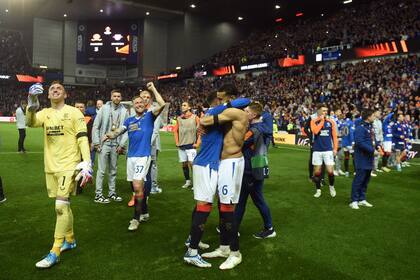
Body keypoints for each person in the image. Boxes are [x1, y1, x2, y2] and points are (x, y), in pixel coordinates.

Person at [26, 82, 92, 268]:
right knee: (64, 205)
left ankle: (54, 251)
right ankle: (69, 240)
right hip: (51, 166)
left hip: (69, 165)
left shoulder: (74, 112)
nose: (55, 90)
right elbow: (31, 122)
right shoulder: (45, 113)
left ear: (65, 94)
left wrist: (86, 162)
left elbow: (82, 137)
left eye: (59, 89)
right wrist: (31, 102)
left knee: (60, 207)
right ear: (47, 95)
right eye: (52, 89)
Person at [184, 84, 249, 270]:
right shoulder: (226, 113)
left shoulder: (234, 113)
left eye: (222, 98)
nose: (218, 101)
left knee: (227, 207)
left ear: (229, 98)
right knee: (220, 206)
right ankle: (223, 247)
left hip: (232, 163)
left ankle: (235, 253)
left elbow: (205, 121)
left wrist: (203, 122)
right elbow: (206, 122)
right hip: (219, 163)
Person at [102, 82, 165, 231]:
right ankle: (144, 211)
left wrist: (153, 89)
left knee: (137, 185)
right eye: (136, 103)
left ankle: (135, 219)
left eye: (141, 102)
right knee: (135, 188)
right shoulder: (129, 121)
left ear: (145, 104)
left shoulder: (150, 116)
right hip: (131, 157)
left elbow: (162, 104)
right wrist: (108, 136)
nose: (139, 104)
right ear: (132, 106)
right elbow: (118, 131)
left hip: (144, 156)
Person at [234, 102, 276, 239]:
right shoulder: (262, 128)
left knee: (252, 200)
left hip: (250, 170)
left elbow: (237, 143)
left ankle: (269, 228)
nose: (244, 113)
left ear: (253, 115)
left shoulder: (253, 130)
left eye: (246, 111)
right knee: (247, 200)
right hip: (258, 166)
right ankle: (234, 228)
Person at [92, 90, 128, 203]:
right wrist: (97, 143)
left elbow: (126, 129)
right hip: (104, 143)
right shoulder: (104, 108)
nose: (116, 98)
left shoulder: (125, 111)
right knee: (101, 171)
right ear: (111, 97)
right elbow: (96, 126)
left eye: (118, 96)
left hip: (116, 144)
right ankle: (98, 194)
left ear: (121, 97)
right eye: (114, 96)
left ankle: (112, 193)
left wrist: (121, 144)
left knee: (113, 170)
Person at [349, 109, 376, 209]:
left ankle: (362, 199)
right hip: (361, 157)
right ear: (368, 117)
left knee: (366, 180)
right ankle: (354, 201)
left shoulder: (369, 127)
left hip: (369, 158)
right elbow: (359, 143)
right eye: (373, 115)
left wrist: (376, 147)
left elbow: (371, 140)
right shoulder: (360, 128)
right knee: (359, 180)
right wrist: (373, 150)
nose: (374, 117)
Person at [310, 103, 338, 198]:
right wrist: (322, 121)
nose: (325, 112)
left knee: (330, 171)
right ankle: (318, 190)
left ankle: (331, 187)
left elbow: (334, 136)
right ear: (318, 111)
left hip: (328, 150)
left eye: (326, 111)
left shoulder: (331, 122)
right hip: (317, 150)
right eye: (323, 111)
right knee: (317, 173)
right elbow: (315, 131)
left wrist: (335, 148)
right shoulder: (314, 121)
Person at [174, 101, 201, 189]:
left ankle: (196, 182)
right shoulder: (179, 118)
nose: (182, 106)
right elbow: (175, 131)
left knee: (192, 164)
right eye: (182, 105)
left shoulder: (195, 117)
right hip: (182, 145)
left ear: (189, 107)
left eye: (184, 105)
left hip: (191, 145)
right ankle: (188, 181)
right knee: (184, 165)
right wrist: (177, 142)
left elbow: (200, 130)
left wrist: (198, 143)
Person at [74, 101, 94, 194]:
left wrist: (90, 144)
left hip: (84, 146)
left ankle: (78, 188)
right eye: (77, 107)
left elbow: (90, 134)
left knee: (82, 165)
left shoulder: (89, 119)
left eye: (81, 107)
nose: (79, 109)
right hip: (71, 146)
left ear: (85, 109)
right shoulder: (69, 118)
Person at [372, 110, 384, 175]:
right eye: (378, 113)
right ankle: (371, 169)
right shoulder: (372, 121)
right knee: (373, 154)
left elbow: (381, 131)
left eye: (380, 113)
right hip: (373, 140)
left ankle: (375, 168)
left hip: (379, 140)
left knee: (378, 155)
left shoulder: (380, 121)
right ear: (375, 113)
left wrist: (382, 140)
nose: (380, 114)